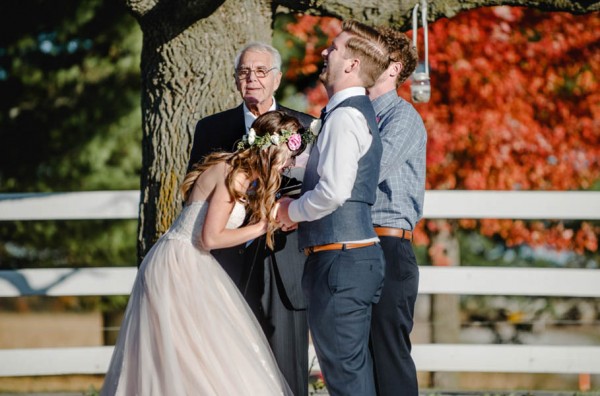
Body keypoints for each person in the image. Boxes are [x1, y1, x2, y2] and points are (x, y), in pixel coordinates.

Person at [100, 111, 307, 396]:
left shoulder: (244, 175)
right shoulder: (231, 174)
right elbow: (210, 238)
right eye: (288, 156)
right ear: (273, 149)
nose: (289, 164)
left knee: (213, 351)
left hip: (194, 263)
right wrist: (261, 227)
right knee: (187, 356)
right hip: (178, 265)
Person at [187, 41, 314, 396]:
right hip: (227, 264)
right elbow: (194, 192)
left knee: (288, 368)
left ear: (277, 79)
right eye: (244, 72)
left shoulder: (304, 127)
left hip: (285, 262)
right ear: (235, 80)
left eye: (260, 71)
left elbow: (316, 192)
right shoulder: (211, 129)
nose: (252, 79)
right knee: (228, 367)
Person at [277, 20, 391, 396]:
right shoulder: (342, 114)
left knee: (345, 378)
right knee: (349, 373)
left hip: (341, 262)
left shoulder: (344, 117)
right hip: (345, 260)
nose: (326, 52)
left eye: (336, 48)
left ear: (352, 64)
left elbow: (333, 192)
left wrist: (289, 212)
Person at [367, 27, 426, 396]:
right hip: (358, 246)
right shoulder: (354, 113)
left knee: (389, 357)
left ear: (393, 68)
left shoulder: (402, 119)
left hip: (389, 249)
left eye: (371, 56)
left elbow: (369, 172)